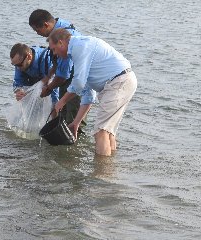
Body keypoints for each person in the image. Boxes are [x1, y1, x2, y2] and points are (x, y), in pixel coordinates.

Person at [48, 28, 137, 156]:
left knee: (100, 132)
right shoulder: (81, 53)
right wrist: (76, 122)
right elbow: (88, 95)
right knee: (108, 131)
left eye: (54, 49)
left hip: (119, 82)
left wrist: (61, 101)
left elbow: (78, 84)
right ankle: (109, 170)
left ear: (61, 43)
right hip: (124, 81)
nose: (54, 53)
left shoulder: (79, 47)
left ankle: (100, 173)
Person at [29, 9, 86, 133]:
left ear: (46, 25)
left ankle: (74, 147)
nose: (37, 33)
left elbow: (63, 75)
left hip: (76, 83)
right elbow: (57, 61)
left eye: (37, 30)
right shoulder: (58, 30)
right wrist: (47, 77)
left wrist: (48, 88)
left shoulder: (65, 36)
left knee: (72, 121)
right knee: (63, 117)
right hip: (68, 83)